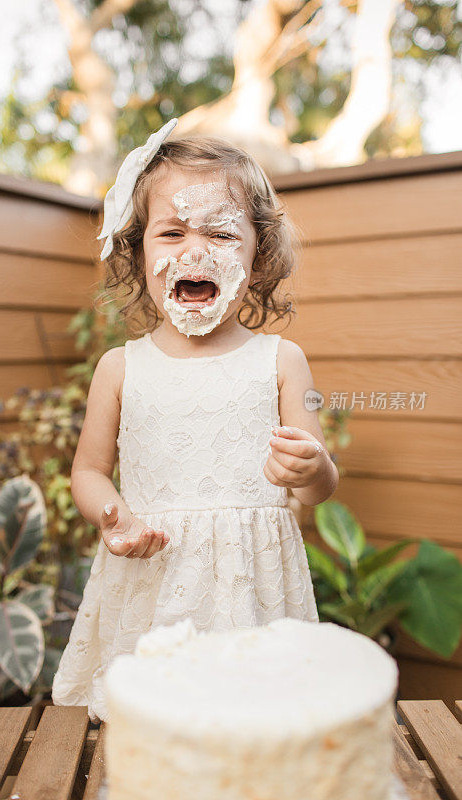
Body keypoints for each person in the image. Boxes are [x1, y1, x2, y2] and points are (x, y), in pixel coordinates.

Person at [51, 119, 339, 722]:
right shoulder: (118, 368)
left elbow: (317, 484)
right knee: (154, 729)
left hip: (251, 590)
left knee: (253, 727)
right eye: (172, 231)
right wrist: (113, 514)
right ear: (138, 251)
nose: (193, 249)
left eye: (221, 233)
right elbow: (88, 472)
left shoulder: (284, 362)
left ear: (259, 257)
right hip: (152, 578)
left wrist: (311, 466)